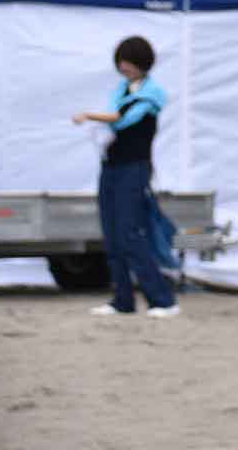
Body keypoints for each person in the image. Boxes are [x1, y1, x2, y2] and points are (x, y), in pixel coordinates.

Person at [74, 36, 180, 318]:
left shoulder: (151, 94)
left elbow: (123, 119)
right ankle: (122, 299)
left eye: (131, 63)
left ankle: (163, 299)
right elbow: (114, 114)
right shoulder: (121, 89)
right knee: (111, 234)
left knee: (131, 233)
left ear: (143, 64)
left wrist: (90, 116)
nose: (125, 68)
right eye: (122, 63)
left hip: (134, 168)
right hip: (111, 166)